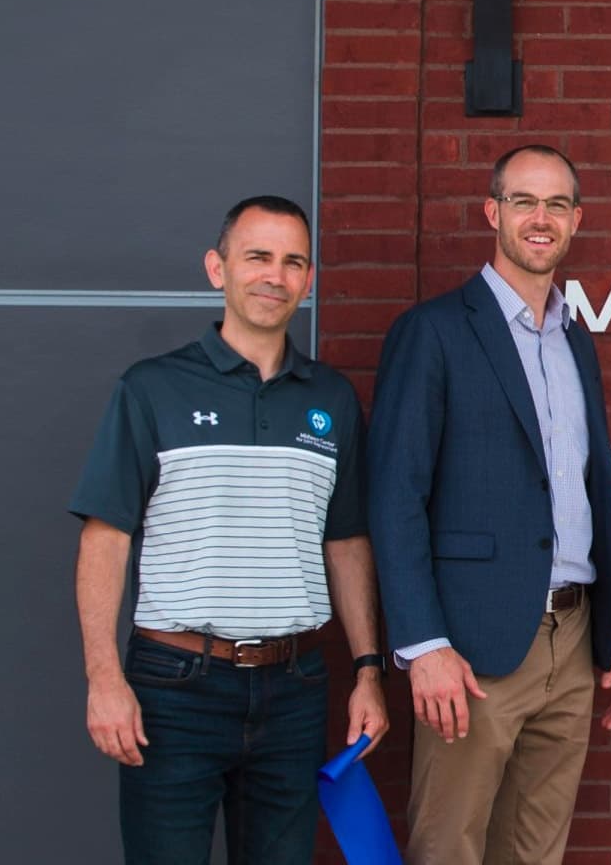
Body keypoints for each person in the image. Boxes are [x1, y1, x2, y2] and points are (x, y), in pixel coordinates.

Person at [71, 195, 389, 864]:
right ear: (218, 269)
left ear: (308, 281)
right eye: (258, 257)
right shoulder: (152, 389)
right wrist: (104, 678)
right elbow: (107, 537)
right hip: (174, 687)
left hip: (295, 684)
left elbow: (347, 541)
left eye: (293, 261)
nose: (275, 275)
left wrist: (366, 671)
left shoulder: (330, 399)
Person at [369, 144, 611, 865]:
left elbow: (592, 493)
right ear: (494, 213)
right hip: (472, 650)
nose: (540, 219)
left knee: (535, 852)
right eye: (524, 201)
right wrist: (423, 645)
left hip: (573, 646)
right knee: (449, 846)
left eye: (556, 204)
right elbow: (395, 496)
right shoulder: (433, 332)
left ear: (577, 220)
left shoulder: (576, 343)